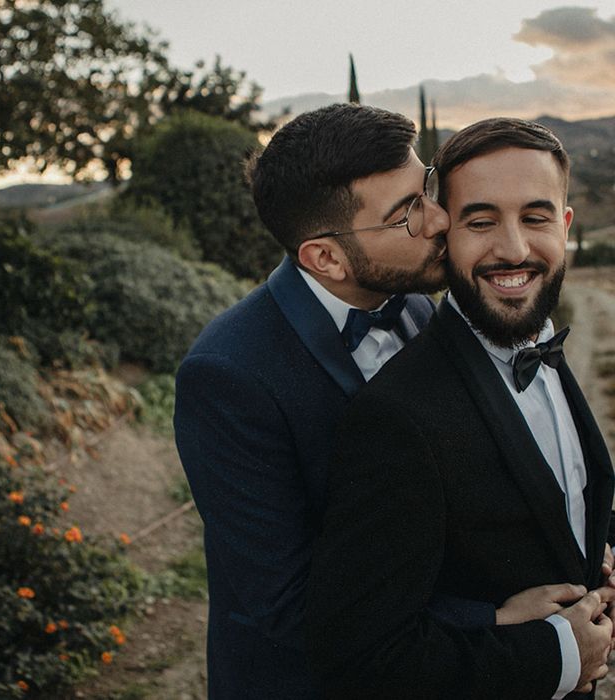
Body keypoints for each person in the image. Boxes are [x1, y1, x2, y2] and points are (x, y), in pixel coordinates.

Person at [173, 105, 598, 699]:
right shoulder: (229, 377)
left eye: (424, 190)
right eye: (406, 216)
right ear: (326, 257)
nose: (438, 219)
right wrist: (492, 620)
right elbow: (293, 607)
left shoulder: (423, 301)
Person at [306, 117, 615, 699]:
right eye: (480, 221)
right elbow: (363, 659)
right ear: (443, 233)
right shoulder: (398, 418)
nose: (514, 250)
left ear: (565, 225)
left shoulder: (538, 338)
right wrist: (558, 656)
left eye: (536, 217)